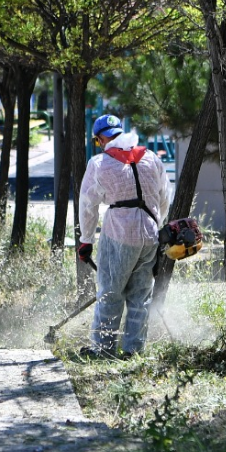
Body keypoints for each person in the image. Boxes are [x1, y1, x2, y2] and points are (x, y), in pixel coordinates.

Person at [77, 114, 170, 357]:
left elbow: (88, 205)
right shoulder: (151, 158)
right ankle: (133, 351)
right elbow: (164, 198)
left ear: (100, 139)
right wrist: (156, 224)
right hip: (150, 234)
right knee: (140, 296)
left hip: (119, 233)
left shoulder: (99, 163)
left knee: (110, 293)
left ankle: (103, 350)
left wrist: (86, 239)